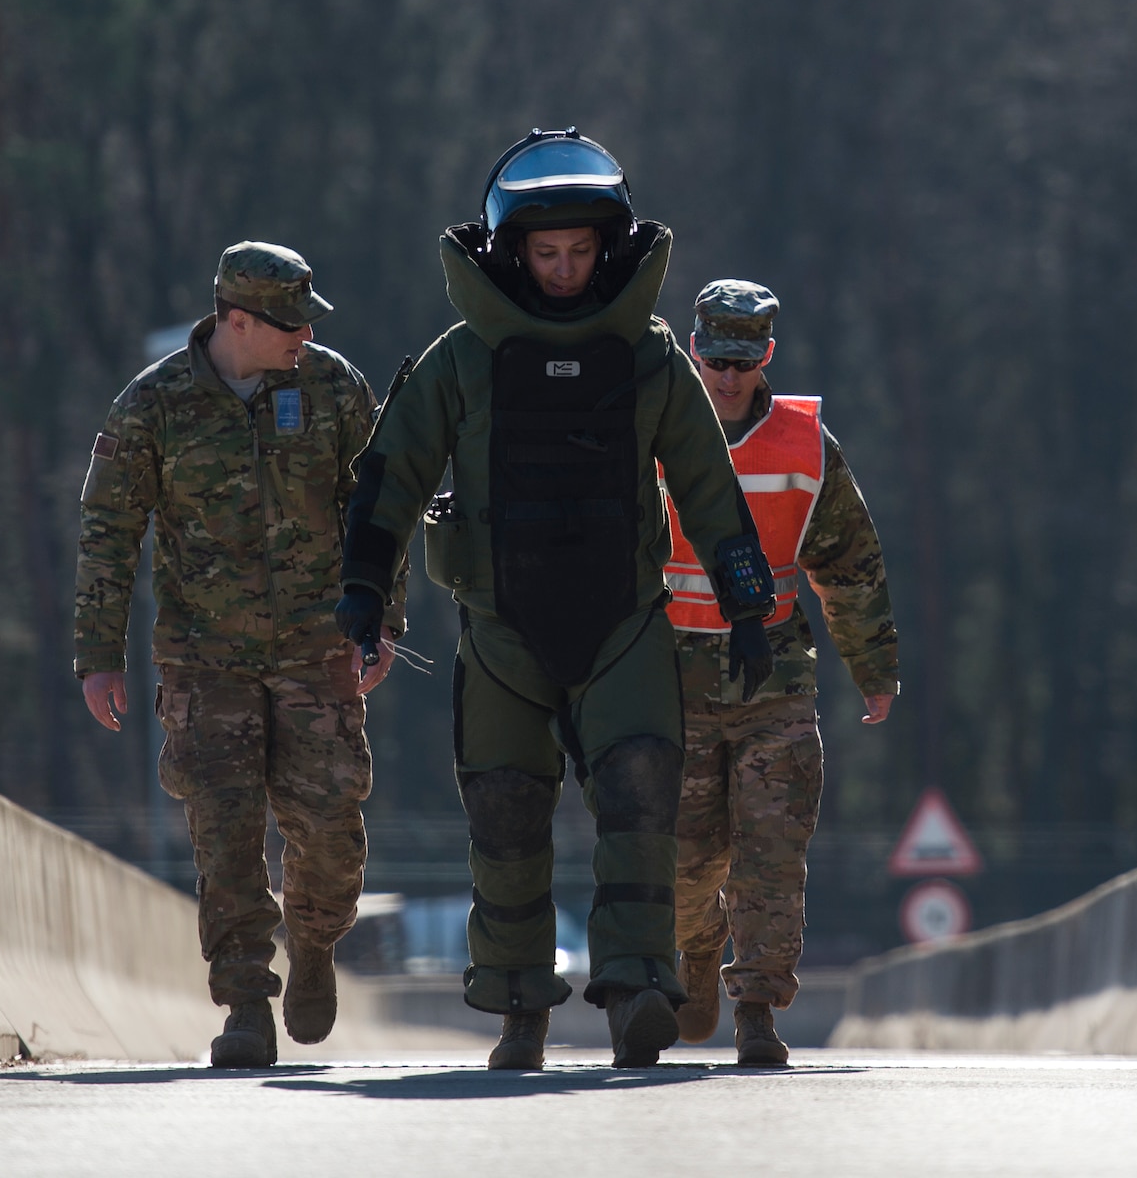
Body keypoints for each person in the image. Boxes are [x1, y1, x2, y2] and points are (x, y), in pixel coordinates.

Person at [334, 128, 778, 1070]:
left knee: (641, 794)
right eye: (547, 252)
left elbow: (709, 488)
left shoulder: (652, 356)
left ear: (608, 246)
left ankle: (637, 991)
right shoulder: (459, 359)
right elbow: (391, 478)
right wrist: (363, 591)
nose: (567, 269)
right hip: (499, 627)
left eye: (581, 251)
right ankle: (519, 1009)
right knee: (503, 811)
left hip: (624, 619)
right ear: (512, 250)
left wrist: (749, 605)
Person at [74, 241, 402, 1069]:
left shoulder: (332, 388)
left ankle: (317, 941)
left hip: (315, 651)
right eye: (287, 322)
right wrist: (98, 654)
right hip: (204, 659)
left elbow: (379, 509)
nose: (304, 334)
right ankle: (247, 1003)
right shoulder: (154, 406)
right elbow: (110, 532)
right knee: (225, 835)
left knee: (329, 830)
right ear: (237, 321)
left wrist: (383, 618)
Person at [664, 280, 898, 1066]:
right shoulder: (651, 430)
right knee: (685, 858)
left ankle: (757, 1006)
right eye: (715, 359)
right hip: (673, 688)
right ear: (694, 350)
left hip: (775, 683)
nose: (728, 378)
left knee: (771, 850)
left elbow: (850, 564)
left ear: (767, 355)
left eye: (744, 360)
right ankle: (694, 949)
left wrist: (874, 668)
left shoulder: (806, 444)